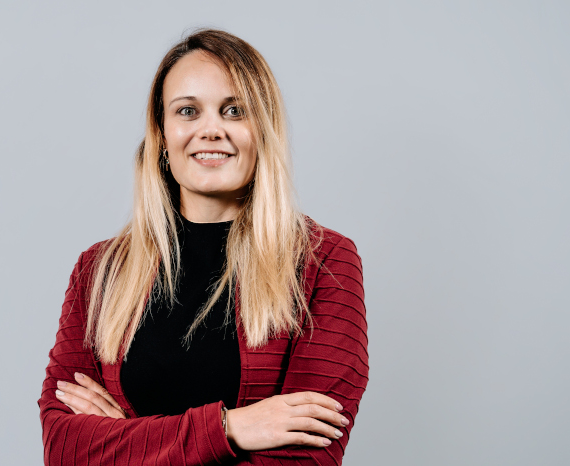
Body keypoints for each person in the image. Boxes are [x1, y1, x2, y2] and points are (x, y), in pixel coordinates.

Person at [38, 29, 367, 465]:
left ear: (263, 129)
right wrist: (232, 428)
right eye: (188, 111)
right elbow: (64, 448)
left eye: (234, 111)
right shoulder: (100, 271)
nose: (210, 130)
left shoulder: (324, 263)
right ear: (162, 134)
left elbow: (307, 460)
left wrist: (126, 442)